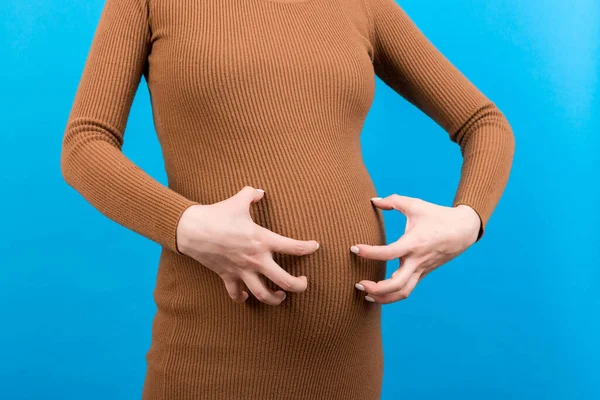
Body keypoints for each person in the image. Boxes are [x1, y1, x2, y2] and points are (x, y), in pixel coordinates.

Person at [60, 0, 515, 398]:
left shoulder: (362, 3)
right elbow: (85, 143)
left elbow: (484, 121)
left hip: (346, 362)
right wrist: (187, 225)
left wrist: (466, 221)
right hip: (213, 353)